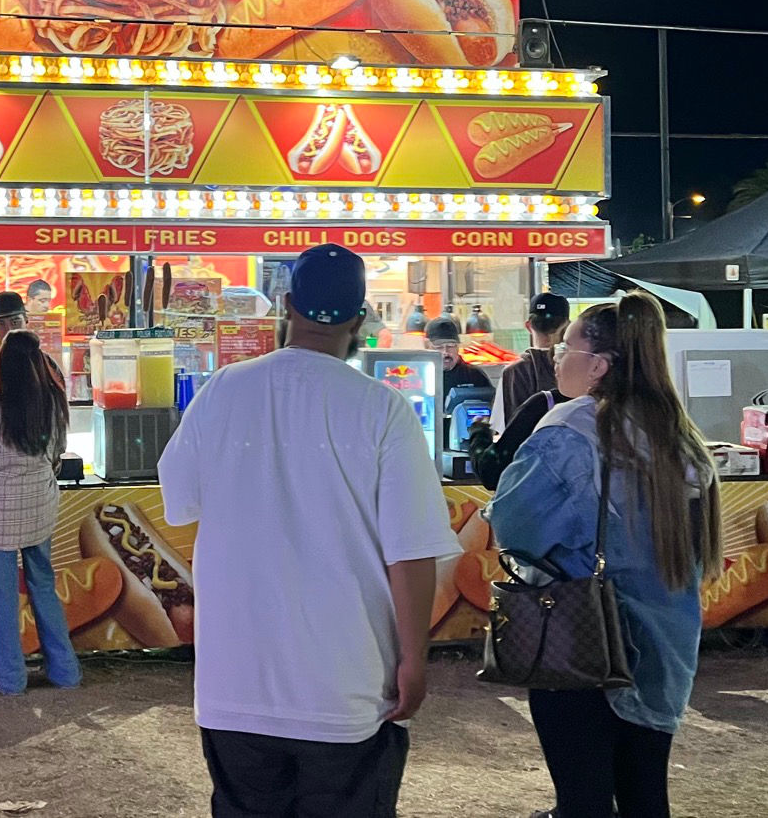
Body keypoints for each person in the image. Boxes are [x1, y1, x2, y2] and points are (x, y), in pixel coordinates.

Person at [158, 243, 461, 818]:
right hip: (343, 685)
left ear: (286, 304)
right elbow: (412, 553)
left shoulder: (221, 391)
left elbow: (181, 501)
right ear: (360, 316)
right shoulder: (383, 410)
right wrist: (414, 660)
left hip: (235, 688)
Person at [486, 293, 723, 818]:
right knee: (644, 798)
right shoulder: (681, 436)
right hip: (664, 651)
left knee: (582, 800)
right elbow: (702, 558)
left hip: (581, 641)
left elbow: (514, 526)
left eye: (566, 346)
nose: (556, 356)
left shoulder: (570, 430)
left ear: (597, 365)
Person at [0, 329, 82, 696]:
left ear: (2, 363)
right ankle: (65, 670)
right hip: (40, 502)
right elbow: (59, 450)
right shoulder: (54, 401)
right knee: (43, 585)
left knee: (2, 597)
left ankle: (11, 678)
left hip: (0, 508)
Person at [495, 291, 569, 415]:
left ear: (528, 326)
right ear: (567, 326)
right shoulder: (581, 365)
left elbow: (501, 427)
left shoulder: (513, 372)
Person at [427, 316, 490, 393]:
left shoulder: (475, 375)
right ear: (428, 348)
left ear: (458, 347)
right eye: (439, 347)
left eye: (450, 346)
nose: (445, 352)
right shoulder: (421, 376)